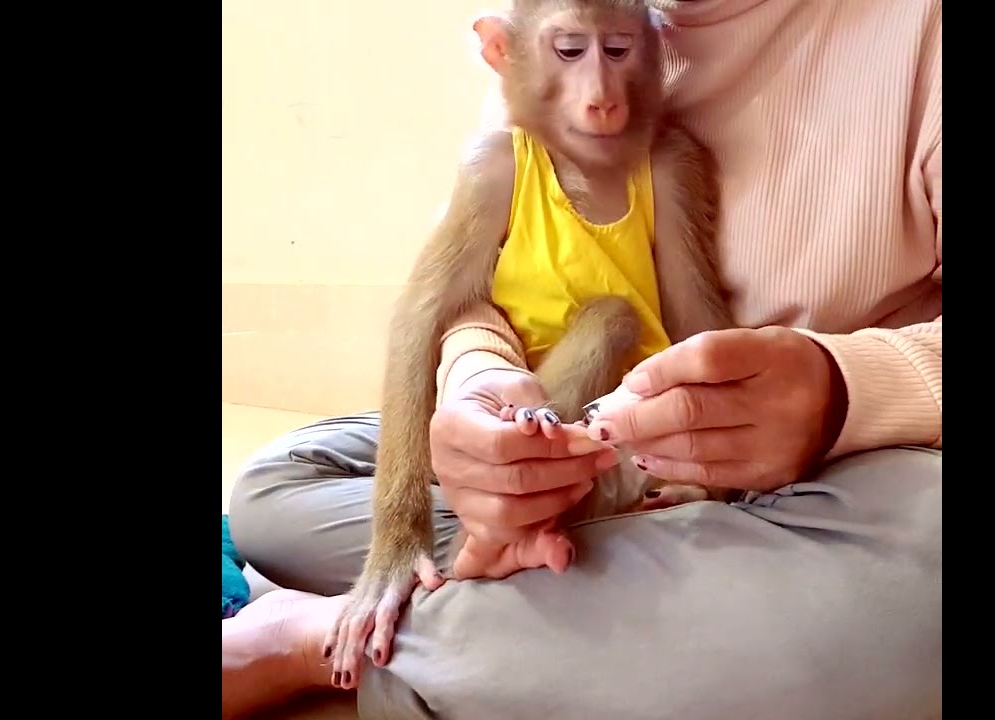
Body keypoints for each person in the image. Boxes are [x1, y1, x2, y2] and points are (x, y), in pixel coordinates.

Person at [223, 0, 942, 717]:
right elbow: (460, 302)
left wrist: (847, 388)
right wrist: (479, 379)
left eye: (618, 55)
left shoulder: (912, 32)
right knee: (273, 490)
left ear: (657, 50)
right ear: (502, 52)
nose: (598, 93)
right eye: (570, 53)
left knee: (907, 619)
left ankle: (329, 636)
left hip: (844, 467)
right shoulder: (521, 107)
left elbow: (697, 328)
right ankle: (593, 601)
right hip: (583, 421)